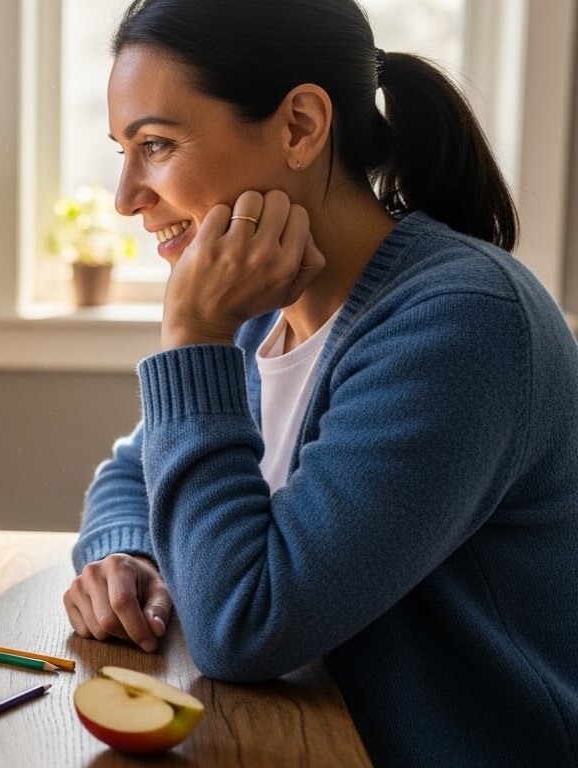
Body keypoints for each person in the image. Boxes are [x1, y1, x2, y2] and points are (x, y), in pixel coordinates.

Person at [62, 1, 578, 765]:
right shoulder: (261, 307)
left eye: (157, 144)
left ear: (301, 125)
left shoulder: (463, 326)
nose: (126, 197)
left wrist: (191, 338)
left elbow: (245, 625)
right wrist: (130, 557)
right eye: (123, 151)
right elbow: (135, 469)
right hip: (292, 736)